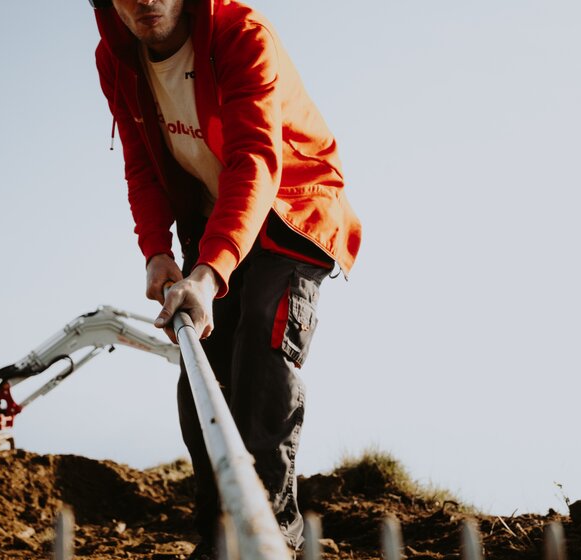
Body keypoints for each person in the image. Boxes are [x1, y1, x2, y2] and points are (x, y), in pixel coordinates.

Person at [92, 0, 362, 556]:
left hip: (290, 208)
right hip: (211, 212)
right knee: (203, 371)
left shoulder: (243, 35)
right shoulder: (115, 57)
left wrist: (209, 273)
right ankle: (217, 539)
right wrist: (156, 253)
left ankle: (270, 541)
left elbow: (255, 160)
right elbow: (141, 161)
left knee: (261, 345)